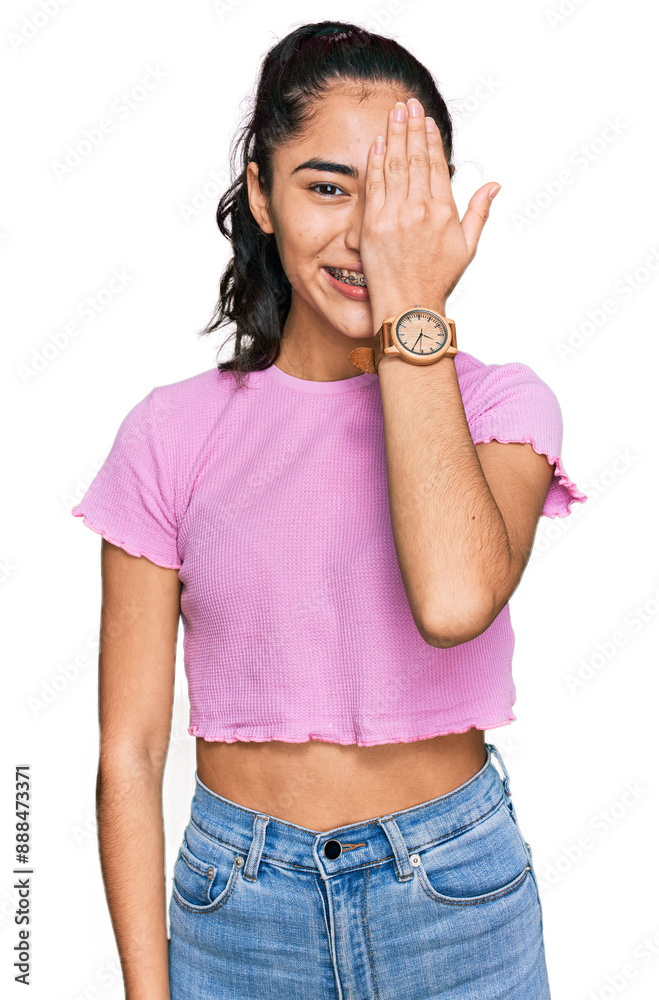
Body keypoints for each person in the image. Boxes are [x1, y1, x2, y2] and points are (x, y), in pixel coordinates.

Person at [71, 20, 588, 1000]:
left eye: (393, 194)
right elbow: (128, 755)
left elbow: (449, 598)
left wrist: (410, 315)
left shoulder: (500, 407)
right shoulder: (169, 431)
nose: (362, 234)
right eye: (325, 186)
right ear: (260, 194)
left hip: (454, 903)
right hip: (237, 910)